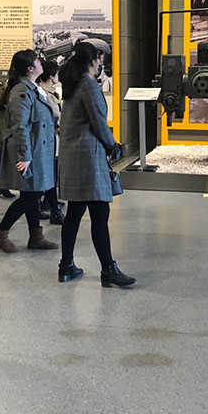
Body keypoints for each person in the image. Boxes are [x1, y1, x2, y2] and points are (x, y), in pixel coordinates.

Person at [57, 42, 135, 287]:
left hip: (73, 156)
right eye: (99, 59)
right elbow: (99, 122)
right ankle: (108, 270)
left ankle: (66, 266)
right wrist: (113, 145)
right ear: (93, 60)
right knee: (100, 213)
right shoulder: (88, 85)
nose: (101, 63)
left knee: (74, 213)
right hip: (88, 157)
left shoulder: (72, 84)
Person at [0, 50, 57, 253]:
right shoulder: (22, 91)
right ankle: (0, 232)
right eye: (37, 61)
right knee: (31, 195)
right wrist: (24, 156)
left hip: (37, 148)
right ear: (29, 68)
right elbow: (20, 126)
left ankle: (36, 236)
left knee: (32, 193)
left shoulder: (32, 88)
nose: (41, 63)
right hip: (31, 150)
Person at [38, 59, 65, 225]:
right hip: (49, 138)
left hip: (54, 137)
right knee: (49, 174)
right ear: (51, 76)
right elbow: (54, 115)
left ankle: (51, 204)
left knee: (52, 173)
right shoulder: (43, 94)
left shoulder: (51, 93)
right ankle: (51, 207)